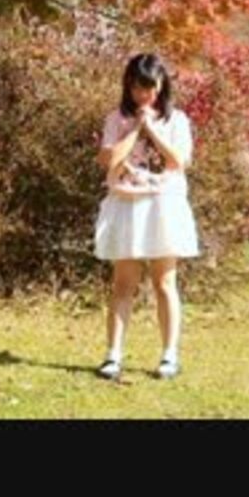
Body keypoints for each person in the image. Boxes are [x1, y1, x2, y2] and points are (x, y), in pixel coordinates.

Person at [93, 53, 199, 380]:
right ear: (128, 86)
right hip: (126, 204)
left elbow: (178, 161)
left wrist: (152, 129)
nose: (144, 95)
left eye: (150, 87)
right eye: (138, 88)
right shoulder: (116, 119)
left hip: (163, 204)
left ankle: (169, 355)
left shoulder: (177, 120)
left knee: (164, 282)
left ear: (162, 85)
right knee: (123, 284)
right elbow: (108, 160)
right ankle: (113, 355)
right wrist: (136, 128)